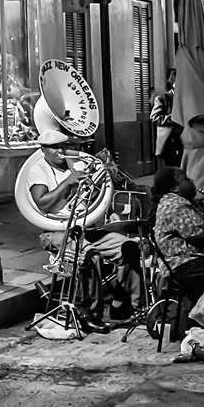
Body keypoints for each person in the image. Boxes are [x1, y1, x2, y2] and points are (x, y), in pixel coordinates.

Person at [29, 130, 143, 333]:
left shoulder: (78, 164)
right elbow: (42, 204)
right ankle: (88, 313)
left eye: (64, 146)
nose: (61, 151)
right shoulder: (38, 171)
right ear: (43, 150)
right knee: (90, 256)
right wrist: (67, 183)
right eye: (55, 148)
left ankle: (123, 307)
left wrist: (109, 210)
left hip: (85, 227)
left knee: (129, 246)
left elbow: (96, 194)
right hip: (56, 231)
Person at [150, 166, 204, 336]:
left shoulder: (182, 201)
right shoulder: (175, 204)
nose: (191, 181)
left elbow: (201, 226)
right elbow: (198, 237)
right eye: (185, 179)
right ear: (173, 188)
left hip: (190, 260)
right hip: (184, 264)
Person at [150, 68, 183, 167]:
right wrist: (174, 117)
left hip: (183, 140)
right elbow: (155, 117)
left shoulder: (185, 100)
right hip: (168, 141)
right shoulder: (162, 99)